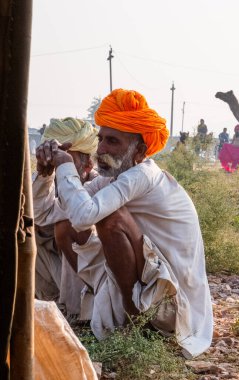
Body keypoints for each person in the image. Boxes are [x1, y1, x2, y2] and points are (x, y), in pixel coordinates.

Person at [36, 89, 213, 359]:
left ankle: (137, 330)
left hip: (176, 308)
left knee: (110, 219)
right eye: (101, 139)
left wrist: (65, 165)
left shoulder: (144, 174)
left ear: (140, 150)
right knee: (65, 226)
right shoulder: (112, 178)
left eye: (112, 141)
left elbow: (87, 215)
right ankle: (110, 315)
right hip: (148, 291)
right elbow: (48, 216)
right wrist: (45, 174)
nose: (102, 149)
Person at [33, 117, 99, 322]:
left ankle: (78, 313)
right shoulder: (49, 183)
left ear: (87, 163)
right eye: (54, 157)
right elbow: (37, 213)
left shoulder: (98, 186)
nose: (57, 164)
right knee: (24, 227)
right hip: (55, 277)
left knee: (67, 226)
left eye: (65, 159)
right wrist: (44, 176)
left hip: (92, 285)